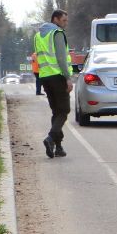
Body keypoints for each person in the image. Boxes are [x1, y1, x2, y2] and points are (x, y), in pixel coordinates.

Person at [34, 10, 73, 158]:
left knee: (56, 111)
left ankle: (58, 147)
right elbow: (62, 58)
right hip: (58, 76)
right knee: (64, 111)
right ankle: (50, 138)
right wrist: (68, 78)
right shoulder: (57, 34)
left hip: (44, 77)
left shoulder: (38, 36)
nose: (65, 24)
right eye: (64, 20)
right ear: (55, 19)